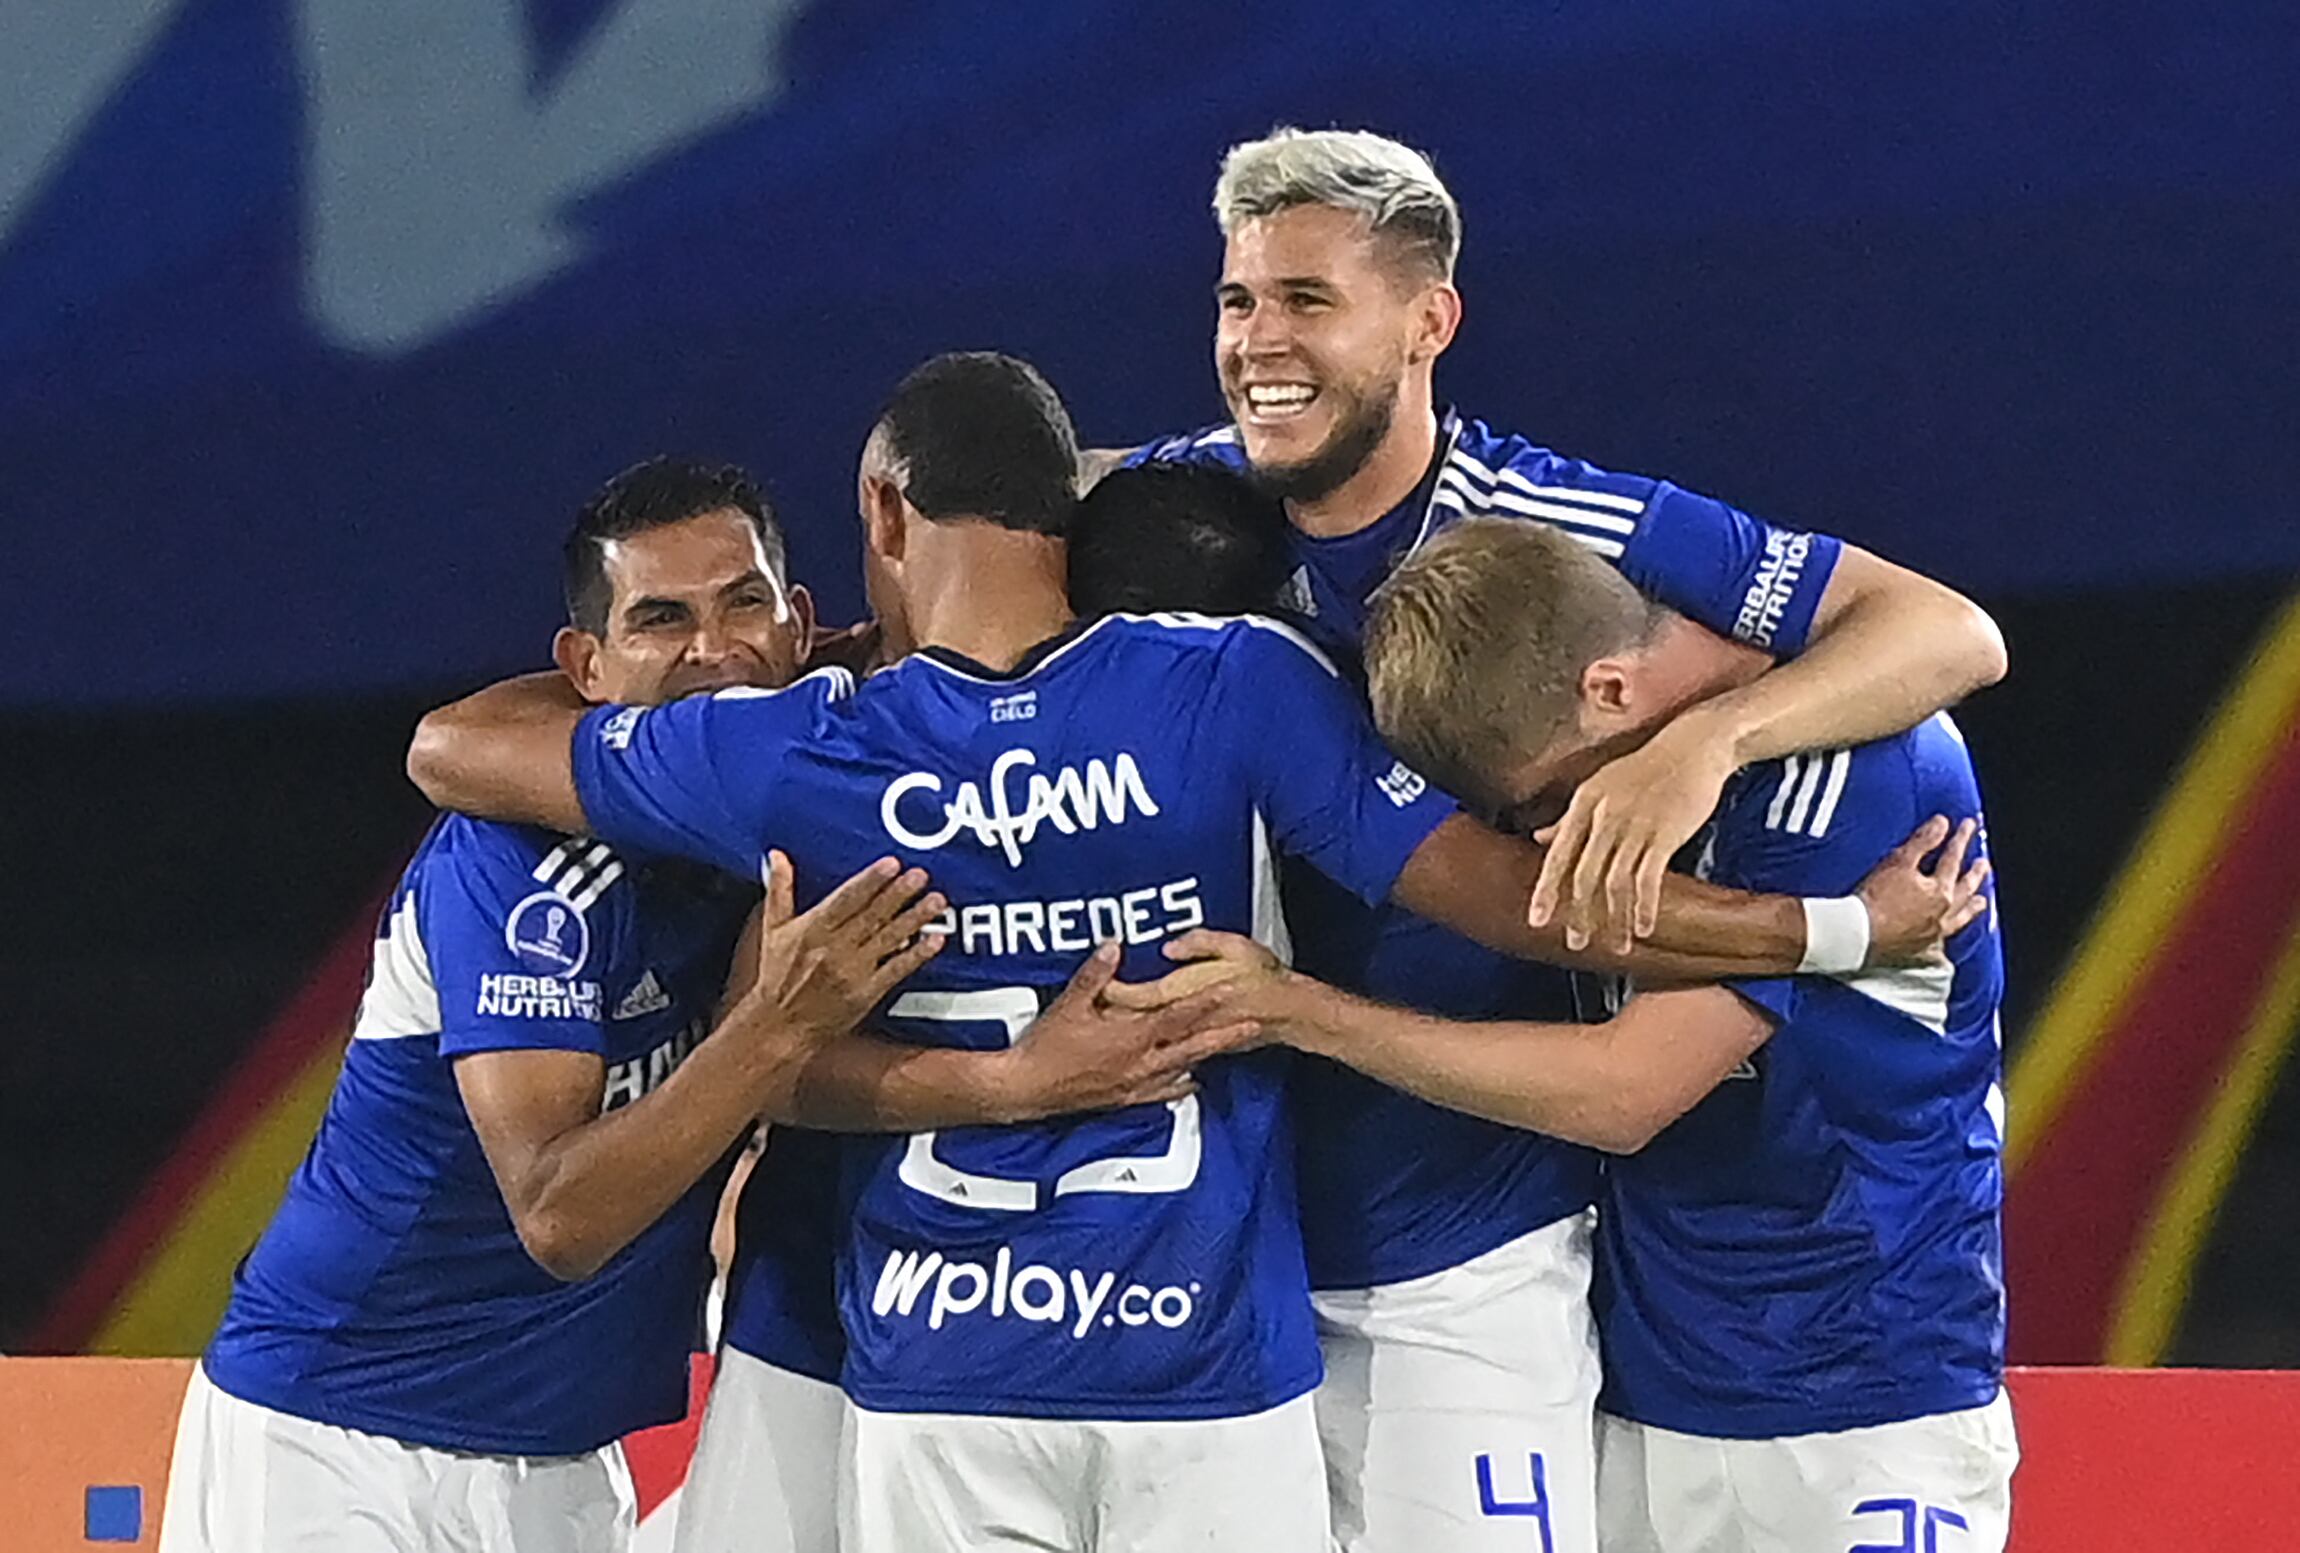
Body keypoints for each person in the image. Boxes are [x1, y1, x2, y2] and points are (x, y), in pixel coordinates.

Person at [407, 353, 1986, 1553]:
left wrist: (749, 685)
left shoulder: (799, 744)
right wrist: (1834, 926)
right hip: (1207, 1357)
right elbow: (1528, 901)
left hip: (941, 1357)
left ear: (880, 515)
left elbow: (455, 750)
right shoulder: (1242, 687)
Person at [1119, 126, 2009, 1551]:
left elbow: (1948, 630)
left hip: (1518, 1257)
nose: (1258, 341)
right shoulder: (1173, 516)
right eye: (1238, 299)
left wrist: (1706, 746)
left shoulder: (1567, 533)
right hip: (1241, 1236)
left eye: (1307, 299)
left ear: (1429, 322)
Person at [159, 459, 946, 1553]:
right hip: (340, 1438)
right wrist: (775, 1026)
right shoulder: (520, 860)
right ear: (585, 666)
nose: (714, 649)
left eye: (744, 603)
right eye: (661, 620)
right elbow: (558, 1216)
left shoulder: (792, 805)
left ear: (799, 626)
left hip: (567, 1461)